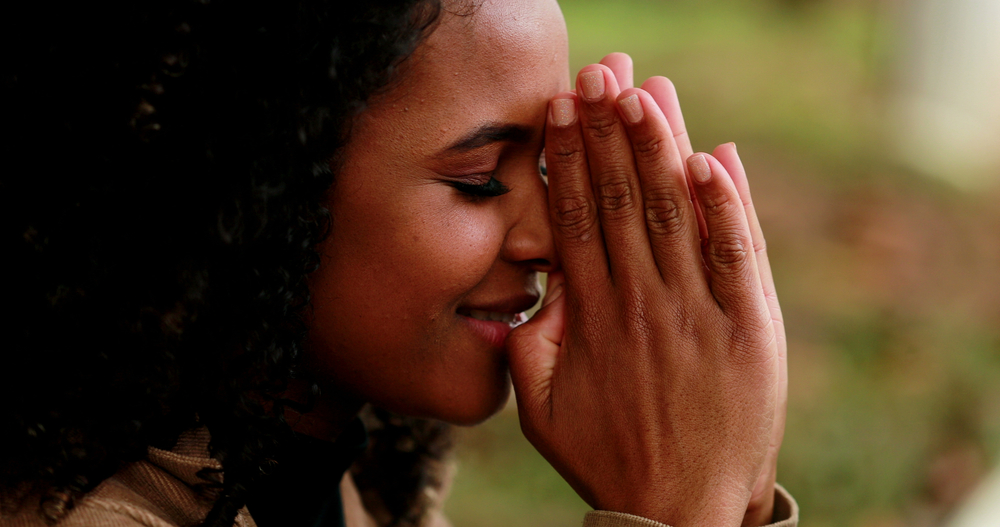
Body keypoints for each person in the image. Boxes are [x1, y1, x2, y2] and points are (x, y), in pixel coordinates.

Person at [1, 1, 795, 527]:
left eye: (549, 170)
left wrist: (737, 495)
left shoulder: (368, 491)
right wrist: (679, 507)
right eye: (480, 181)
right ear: (260, 184)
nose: (551, 239)